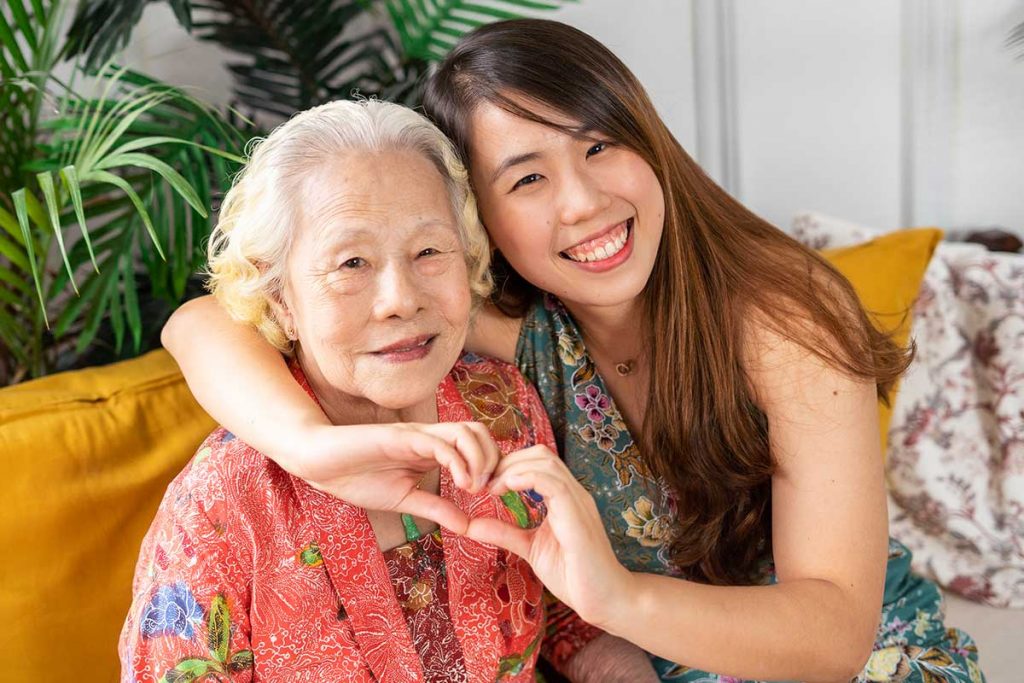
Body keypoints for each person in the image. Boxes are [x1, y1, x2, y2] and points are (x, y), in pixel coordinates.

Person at [161, 20, 985, 683]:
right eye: (527, 180)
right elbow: (206, 319)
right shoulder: (486, 314)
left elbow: (834, 637)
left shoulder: (781, 315)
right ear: (480, 226)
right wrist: (313, 447)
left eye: (598, 146)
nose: (586, 203)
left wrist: (617, 598)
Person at [120, 98, 653, 683]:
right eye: (351, 263)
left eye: (429, 251)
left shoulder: (502, 405)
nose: (400, 298)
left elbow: (568, 615)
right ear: (280, 300)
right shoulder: (223, 503)